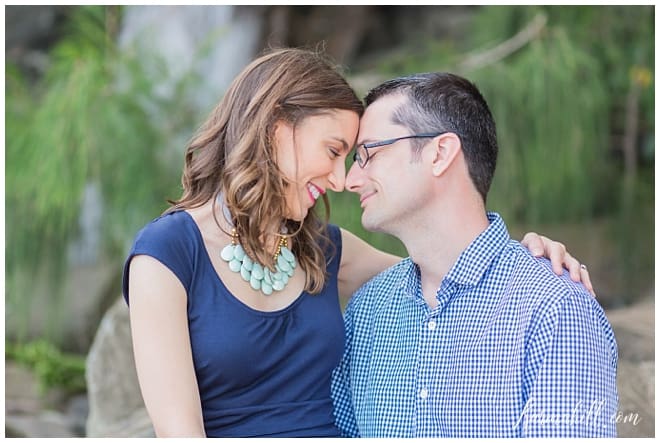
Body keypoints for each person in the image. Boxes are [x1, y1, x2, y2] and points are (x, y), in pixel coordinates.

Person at [123, 48, 592, 437]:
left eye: (354, 157)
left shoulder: (323, 248)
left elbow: (451, 273)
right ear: (276, 128)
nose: (341, 179)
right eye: (334, 152)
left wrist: (528, 254)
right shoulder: (168, 254)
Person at [331, 72, 618, 437]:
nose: (349, 180)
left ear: (440, 153)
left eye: (367, 154)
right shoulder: (367, 312)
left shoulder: (554, 309)